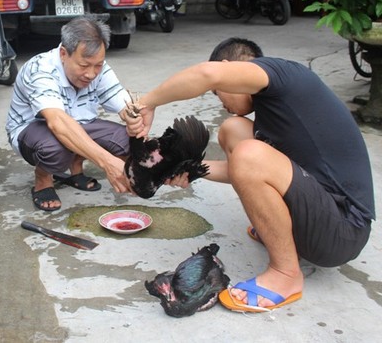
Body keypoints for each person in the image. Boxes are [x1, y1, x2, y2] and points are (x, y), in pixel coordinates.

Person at [126, 37, 375, 313]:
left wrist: (148, 102)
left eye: (218, 93)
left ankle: (286, 274)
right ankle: (279, 230)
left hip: (341, 232)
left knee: (248, 153)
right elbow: (245, 173)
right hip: (321, 215)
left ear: (228, 68)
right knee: (234, 130)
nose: (221, 102)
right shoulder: (273, 109)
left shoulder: (282, 73)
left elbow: (207, 74)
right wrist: (192, 170)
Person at [6, 16, 132, 211]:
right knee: (56, 147)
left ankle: (75, 170)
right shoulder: (41, 69)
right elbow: (58, 123)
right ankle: (43, 178)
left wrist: (134, 117)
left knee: (127, 138)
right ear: (64, 54)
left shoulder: (98, 67)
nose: (91, 74)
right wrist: (108, 163)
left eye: (97, 65)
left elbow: (123, 102)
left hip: (78, 123)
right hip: (32, 130)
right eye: (83, 66)